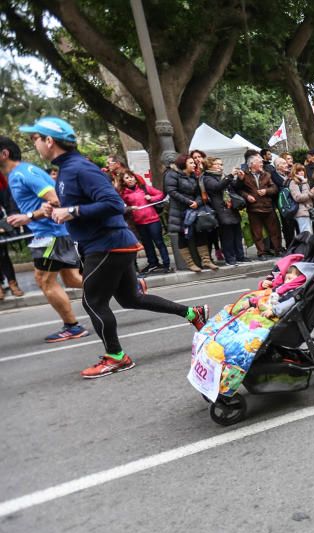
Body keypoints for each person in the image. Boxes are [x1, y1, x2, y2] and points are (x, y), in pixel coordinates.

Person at [21, 116, 209, 378]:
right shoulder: (66, 169)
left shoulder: (79, 168)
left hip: (107, 244)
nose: (35, 144)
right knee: (131, 298)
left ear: (49, 141)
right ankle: (193, 313)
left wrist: (72, 211)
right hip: (107, 243)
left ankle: (116, 357)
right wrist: (51, 210)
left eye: (36, 139)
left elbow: (114, 203)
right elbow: (83, 203)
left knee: (92, 301)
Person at [0, 135, 86, 341]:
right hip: (54, 232)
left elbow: (56, 200)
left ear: (4, 154)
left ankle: (73, 326)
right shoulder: (16, 175)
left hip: (51, 234)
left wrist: (28, 216)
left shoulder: (24, 173)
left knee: (44, 280)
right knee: (72, 279)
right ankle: (127, 285)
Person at [165, 154, 216, 272]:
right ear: (184, 164)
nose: (194, 165)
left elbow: (200, 192)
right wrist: (188, 202)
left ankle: (206, 260)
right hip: (179, 211)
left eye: (194, 163)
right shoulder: (172, 174)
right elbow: (172, 192)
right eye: (191, 163)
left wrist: (197, 202)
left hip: (194, 209)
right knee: (183, 236)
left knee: (200, 232)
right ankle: (190, 263)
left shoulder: (194, 176)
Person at [118, 170, 170, 274]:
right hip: (139, 223)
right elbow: (122, 206)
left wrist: (151, 198)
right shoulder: (123, 194)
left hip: (153, 220)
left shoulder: (144, 188)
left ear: (135, 178)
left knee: (159, 242)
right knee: (147, 244)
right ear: (123, 181)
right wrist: (130, 208)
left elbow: (161, 195)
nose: (130, 179)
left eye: (131, 177)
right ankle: (153, 263)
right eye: (127, 178)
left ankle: (166, 264)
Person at [202, 157, 247, 266]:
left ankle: (240, 256)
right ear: (209, 166)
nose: (220, 166)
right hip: (221, 209)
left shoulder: (223, 176)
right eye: (217, 164)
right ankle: (230, 258)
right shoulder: (207, 178)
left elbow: (234, 187)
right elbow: (218, 187)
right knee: (227, 236)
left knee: (237, 233)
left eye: (221, 164)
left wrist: (240, 179)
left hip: (231, 207)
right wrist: (230, 176)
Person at [238, 155, 282, 258]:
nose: (262, 164)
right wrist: (247, 196)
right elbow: (239, 190)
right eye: (259, 162)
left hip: (268, 207)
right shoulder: (244, 175)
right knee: (257, 233)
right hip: (253, 208)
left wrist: (266, 191)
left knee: (274, 231)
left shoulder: (266, 174)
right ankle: (261, 253)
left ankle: (278, 250)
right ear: (252, 164)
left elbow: (274, 188)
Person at [287, 163, 314, 235]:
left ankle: (308, 246)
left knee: (309, 234)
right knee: (306, 234)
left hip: (308, 210)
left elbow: (310, 197)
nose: (302, 172)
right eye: (299, 170)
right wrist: (310, 193)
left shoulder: (304, 182)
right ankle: (305, 247)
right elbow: (297, 198)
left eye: (303, 170)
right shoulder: (293, 182)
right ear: (295, 172)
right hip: (301, 212)